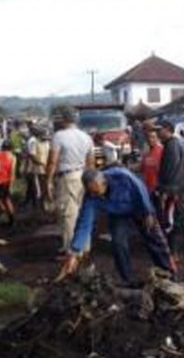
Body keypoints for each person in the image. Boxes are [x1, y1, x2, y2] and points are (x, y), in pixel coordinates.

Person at [57, 169, 176, 285]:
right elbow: (84, 224)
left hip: (137, 206)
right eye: (91, 192)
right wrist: (74, 252)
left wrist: (148, 211)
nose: (94, 195)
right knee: (118, 242)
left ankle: (167, 272)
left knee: (153, 237)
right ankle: (128, 279)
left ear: (104, 182)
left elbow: (139, 188)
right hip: (118, 214)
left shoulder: (121, 176)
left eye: (97, 192)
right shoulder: (90, 197)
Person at [46, 106, 95, 256]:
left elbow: (53, 161)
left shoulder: (59, 136)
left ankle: (71, 250)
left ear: (64, 119)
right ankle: (84, 246)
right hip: (83, 176)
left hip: (67, 177)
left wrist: (48, 181)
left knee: (68, 214)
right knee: (83, 212)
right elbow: (91, 162)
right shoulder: (86, 137)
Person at [155, 121, 184, 264]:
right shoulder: (170, 144)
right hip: (174, 189)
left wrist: (165, 191)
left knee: (173, 222)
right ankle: (174, 252)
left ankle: (174, 253)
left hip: (173, 190)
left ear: (167, 130)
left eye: (159, 130)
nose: (157, 133)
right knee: (173, 221)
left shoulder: (172, 145)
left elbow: (171, 171)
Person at [141, 128, 163, 196]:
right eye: (148, 137)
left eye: (153, 137)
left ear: (157, 138)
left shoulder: (161, 150)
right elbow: (142, 166)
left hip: (157, 188)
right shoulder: (146, 151)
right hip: (146, 186)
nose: (150, 139)